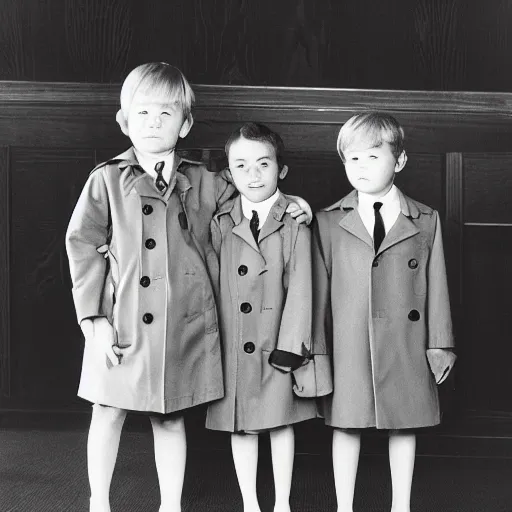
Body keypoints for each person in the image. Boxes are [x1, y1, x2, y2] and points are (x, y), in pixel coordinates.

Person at [65, 63, 312, 512]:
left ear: (186, 124)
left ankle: (171, 504)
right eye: (142, 114)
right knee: (107, 410)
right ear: (124, 121)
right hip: (120, 321)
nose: (153, 123)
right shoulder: (106, 179)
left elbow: (253, 198)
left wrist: (293, 202)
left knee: (170, 415)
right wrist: (93, 320)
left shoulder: (206, 180)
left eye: (165, 114)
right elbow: (82, 244)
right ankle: (98, 500)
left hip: (182, 324)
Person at [312, 112, 457, 512]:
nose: (360, 167)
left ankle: (401, 505)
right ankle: (344, 506)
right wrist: (320, 353)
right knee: (345, 422)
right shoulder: (327, 220)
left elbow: (437, 284)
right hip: (349, 339)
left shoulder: (425, 219)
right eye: (352, 158)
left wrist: (441, 343)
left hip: (405, 340)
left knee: (404, 421)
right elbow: (320, 295)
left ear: (400, 160)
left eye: (372, 157)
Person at [206, 122, 332, 512]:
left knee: (280, 423)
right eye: (241, 166)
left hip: (278, 343)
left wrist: (291, 347)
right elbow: (211, 276)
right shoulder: (221, 220)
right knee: (241, 425)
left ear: (282, 170)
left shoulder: (295, 220)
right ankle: (249, 503)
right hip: (235, 342)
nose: (253, 175)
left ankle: (282, 503)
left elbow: (304, 289)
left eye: (263, 164)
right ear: (229, 173)